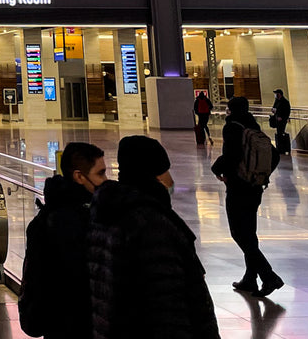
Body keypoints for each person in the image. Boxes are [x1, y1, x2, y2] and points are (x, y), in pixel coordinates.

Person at [87, 136, 220, 339]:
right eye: (164, 170)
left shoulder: (106, 213)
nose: (170, 180)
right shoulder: (151, 223)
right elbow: (168, 305)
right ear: (153, 174)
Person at [18, 142, 107, 339]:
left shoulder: (44, 220)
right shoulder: (94, 219)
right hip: (78, 326)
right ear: (79, 176)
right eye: (100, 174)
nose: (105, 180)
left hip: (59, 328)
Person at [212, 96, 282, 296]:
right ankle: (250, 278)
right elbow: (274, 154)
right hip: (255, 187)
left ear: (230, 110)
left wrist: (217, 169)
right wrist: (261, 175)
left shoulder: (232, 126)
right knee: (249, 233)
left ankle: (269, 277)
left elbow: (231, 156)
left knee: (238, 233)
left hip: (238, 186)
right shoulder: (253, 125)